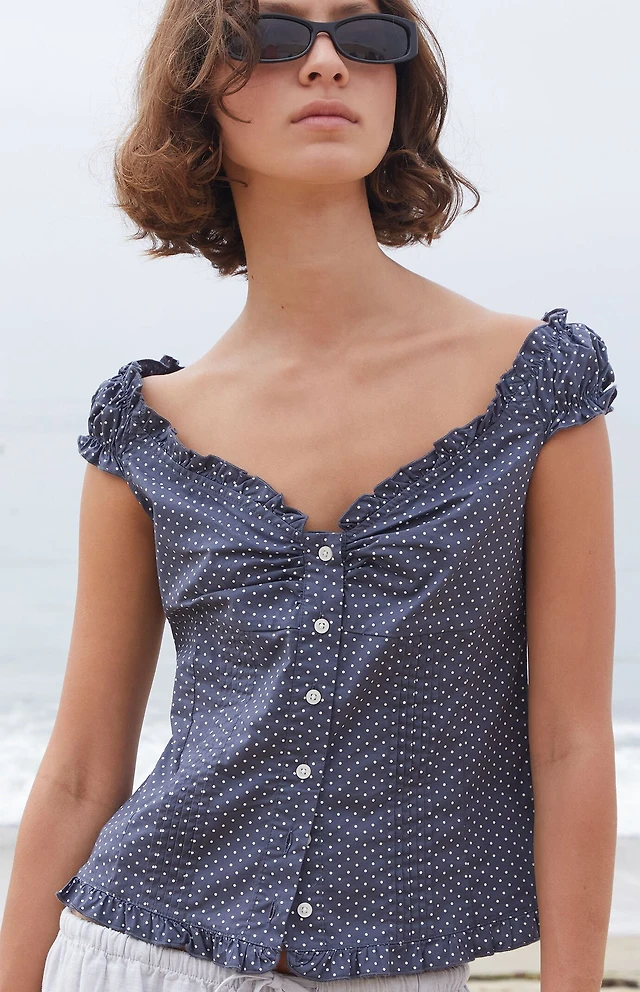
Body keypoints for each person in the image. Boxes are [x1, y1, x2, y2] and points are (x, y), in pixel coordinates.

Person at [0, 0, 619, 989]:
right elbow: (79, 774)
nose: (327, 62)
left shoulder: (536, 385)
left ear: (400, 84)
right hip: (132, 957)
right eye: (275, 37)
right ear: (198, 91)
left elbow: (571, 743)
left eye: (366, 37)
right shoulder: (146, 429)